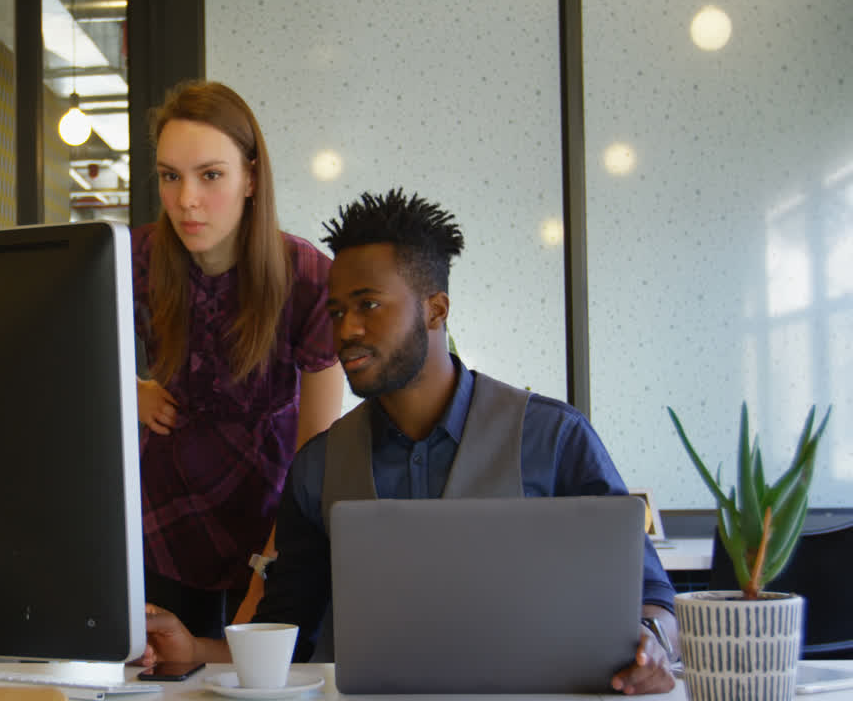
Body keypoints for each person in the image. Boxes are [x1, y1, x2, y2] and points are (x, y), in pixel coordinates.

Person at [142, 189, 679, 695]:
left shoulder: (555, 439)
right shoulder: (318, 468)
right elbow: (287, 637)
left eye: (368, 304)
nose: (345, 328)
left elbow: (653, 599)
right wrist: (192, 648)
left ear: (435, 309)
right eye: (335, 311)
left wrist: (653, 647)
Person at [132, 81, 346, 639]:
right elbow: (68, 351)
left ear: (251, 177)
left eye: (210, 175)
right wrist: (129, 389)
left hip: (271, 509)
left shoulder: (307, 278)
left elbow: (316, 452)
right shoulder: (138, 258)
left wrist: (270, 565)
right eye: (170, 176)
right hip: (165, 515)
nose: (186, 201)